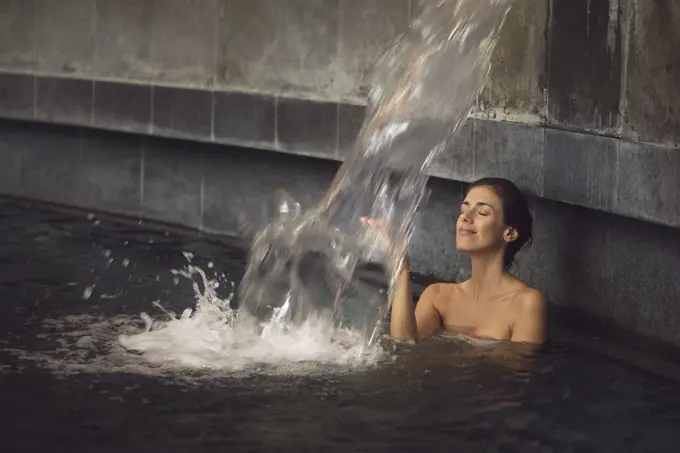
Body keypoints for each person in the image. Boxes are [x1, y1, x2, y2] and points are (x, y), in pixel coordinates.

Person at [365, 177, 547, 345]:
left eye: (482, 212)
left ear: (509, 233)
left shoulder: (526, 303)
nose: (465, 217)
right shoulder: (437, 297)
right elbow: (403, 348)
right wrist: (402, 268)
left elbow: (520, 376)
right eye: (463, 210)